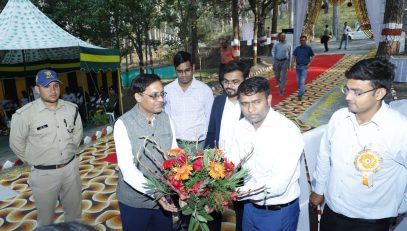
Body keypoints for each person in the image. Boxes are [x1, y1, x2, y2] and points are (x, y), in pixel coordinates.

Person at [309, 58, 407, 231]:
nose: (348, 97)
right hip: (331, 212)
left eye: (357, 92)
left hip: (370, 222)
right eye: (347, 89)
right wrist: (319, 190)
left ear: (379, 93)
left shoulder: (399, 130)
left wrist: (399, 206)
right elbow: (324, 156)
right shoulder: (339, 118)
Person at [9, 69, 83, 227]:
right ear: (37, 89)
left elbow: (77, 135)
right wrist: (36, 160)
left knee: (75, 213)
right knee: (46, 218)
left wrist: (68, 152)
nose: (53, 90)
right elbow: (16, 144)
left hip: (70, 169)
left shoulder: (72, 109)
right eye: (46, 86)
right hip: (44, 174)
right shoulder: (24, 115)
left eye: (56, 85)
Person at [230, 77, 304, 231]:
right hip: (250, 206)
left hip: (278, 211)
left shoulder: (287, 131)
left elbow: (277, 186)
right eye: (244, 104)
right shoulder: (241, 127)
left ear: (269, 99)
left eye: (257, 102)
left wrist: (231, 193)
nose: (250, 110)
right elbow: (232, 160)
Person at [114, 74, 178, 231]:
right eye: (154, 96)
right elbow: (128, 170)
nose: (161, 99)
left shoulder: (166, 118)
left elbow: (174, 153)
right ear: (138, 96)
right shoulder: (123, 124)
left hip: (165, 196)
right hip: (135, 202)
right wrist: (155, 193)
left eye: (162, 94)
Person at [204, 60, 249, 231]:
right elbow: (211, 133)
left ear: (245, 80)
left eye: (235, 82)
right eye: (226, 81)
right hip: (217, 166)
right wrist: (207, 160)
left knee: (241, 210)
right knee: (213, 209)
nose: (229, 86)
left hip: (241, 168)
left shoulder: (250, 105)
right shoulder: (218, 101)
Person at [164, 51, 214, 152]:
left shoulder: (204, 90)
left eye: (187, 70)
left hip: (198, 145)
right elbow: (165, 117)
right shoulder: (167, 90)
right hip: (174, 144)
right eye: (179, 71)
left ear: (193, 68)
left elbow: (210, 118)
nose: (183, 75)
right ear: (175, 70)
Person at [292, 35, 315, 101]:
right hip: (298, 66)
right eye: (301, 40)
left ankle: (300, 94)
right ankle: (301, 90)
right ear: (299, 41)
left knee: (302, 81)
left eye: (303, 40)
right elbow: (294, 55)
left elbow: (313, 56)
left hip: (304, 67)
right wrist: (292, 63)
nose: (302, 41)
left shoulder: (308, 48)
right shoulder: (297, 48)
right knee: (298, 81)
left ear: (306, 41)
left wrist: (309, 64)